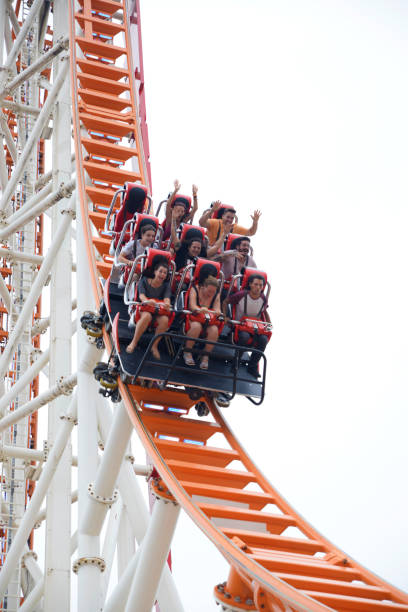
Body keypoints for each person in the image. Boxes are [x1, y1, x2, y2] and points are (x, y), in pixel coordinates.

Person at [126, 256, 172, 359]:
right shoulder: (144, 281)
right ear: (155, 272)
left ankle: (154, 346)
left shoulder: (166, 285)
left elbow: (167, 298)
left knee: (164, 320)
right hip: (144, 307)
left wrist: (167, 304)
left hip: (158, 310)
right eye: (160, 272)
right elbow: (141, 296)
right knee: (147, 316)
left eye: (165, 273)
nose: (162, 275)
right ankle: (134, 342)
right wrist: (148, 301)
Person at [227, 274, 271, 377]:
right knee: (244, 337)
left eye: (261, 285)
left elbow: (264, 311)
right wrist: (226, 317)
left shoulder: (263, 299)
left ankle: (252, 366)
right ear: (250, 284)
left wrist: (269, 322)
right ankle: (236, 362)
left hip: (255, 327)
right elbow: (226, 302)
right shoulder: (241, 295)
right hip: (240, 326)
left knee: (264, 339)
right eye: (256, 284)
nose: (258, 287)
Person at [183, 264, 223, 370]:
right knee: (196, 326)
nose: (211, 294)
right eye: (209, 291)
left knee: (214, 330)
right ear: (203, 286)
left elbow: (217, 309)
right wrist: (200, 309)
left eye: (213, 292)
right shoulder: (195, 289)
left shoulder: (216, 294)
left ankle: (205, 356)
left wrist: (218, 312)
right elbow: (192, 306)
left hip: (208, 320)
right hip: (194, 318)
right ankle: (188, 351)